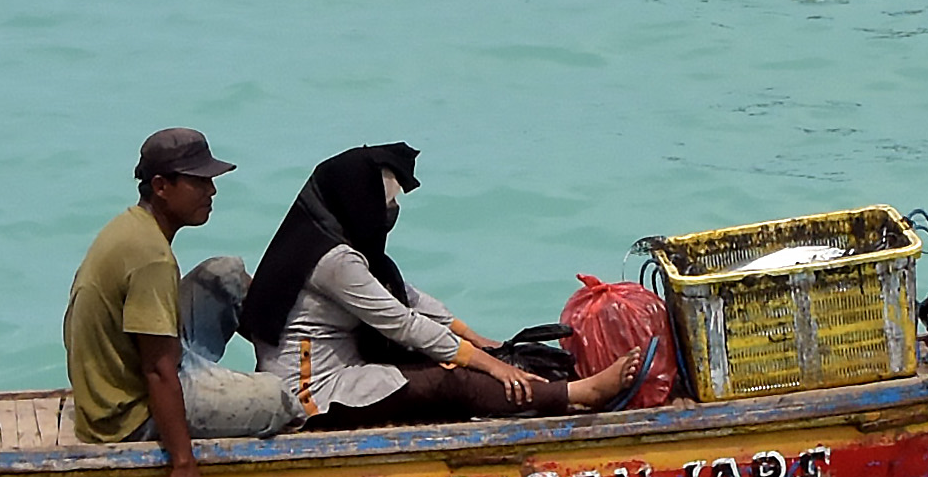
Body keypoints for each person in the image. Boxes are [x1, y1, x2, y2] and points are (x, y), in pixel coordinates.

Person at [237, 144, 642, 429]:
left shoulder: (328, 235)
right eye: (384, 203)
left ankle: (550, 389)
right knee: (453, 379)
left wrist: (475, 337)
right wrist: (489, 363)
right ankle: (577, 394)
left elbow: (406, 295)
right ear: (356, 202)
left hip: (344, 367)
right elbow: (401, 322)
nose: (390, 212)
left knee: (452, 360)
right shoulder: (334, 260)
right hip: (314, 394)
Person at [65, 128, 283, 477]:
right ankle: (278, 388)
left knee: (226, 273)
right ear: (161, 186)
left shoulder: (133, 227)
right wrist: (183, 465)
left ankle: (258, 371)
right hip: (130, 413)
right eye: (200, 182)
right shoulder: (151, 259)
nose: (212, 191)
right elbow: (158, 370)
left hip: (133, 370)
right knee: (280, 398)